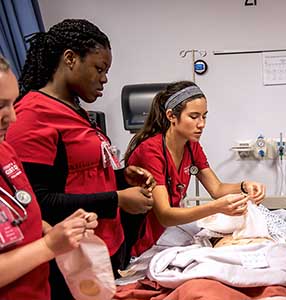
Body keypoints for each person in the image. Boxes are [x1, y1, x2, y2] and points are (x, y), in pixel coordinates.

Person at [5, 19, 154, 299]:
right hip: (67, 262)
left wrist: (122, 177)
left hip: (99, 248)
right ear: (70, 59)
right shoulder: (32, 117)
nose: (105, 78)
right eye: (99, 68)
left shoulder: (75, 110)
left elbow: (78, 176)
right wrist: (118, 199)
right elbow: (38, 203)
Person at [124, 81, 266, 256]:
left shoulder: (191, 146)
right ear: (171, 116)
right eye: (194, 116)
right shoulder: (151, 151)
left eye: (204, 116)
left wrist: (244, 186)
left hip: (166, 235)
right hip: (141, 244)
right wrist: (215, 208)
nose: (202, 124)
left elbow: (217, 189)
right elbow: (165, 215)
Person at [0, 54, 98, 299]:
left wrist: (62, 230)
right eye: (0, 105)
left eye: (12, 103)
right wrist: (48, 246)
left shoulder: (4, 151)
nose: (12, 117)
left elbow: (25, 212)